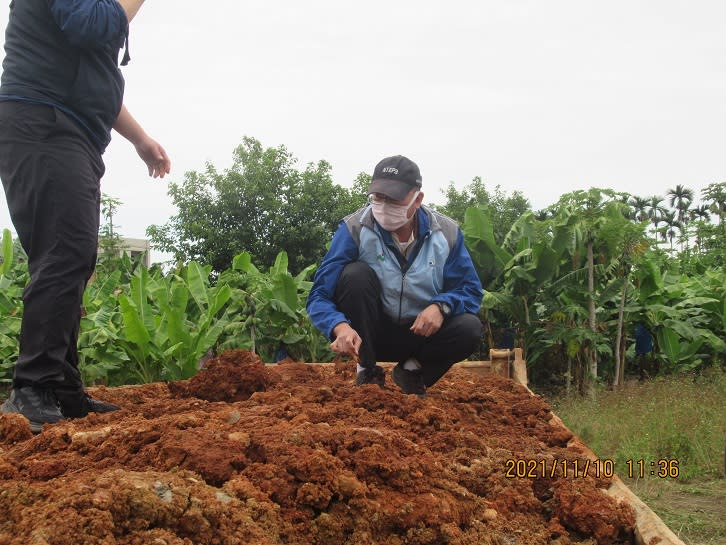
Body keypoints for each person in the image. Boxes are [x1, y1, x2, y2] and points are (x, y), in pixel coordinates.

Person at [0, 0, 171, 432]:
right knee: (67, 252)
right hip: (43, 121)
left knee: (70, 257)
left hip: (63, 125)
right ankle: (31, 389)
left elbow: (92, 75)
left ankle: (59, 389)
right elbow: (92, 26)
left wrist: (140, 139)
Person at [307, 155, 483, 397]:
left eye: (394, 198)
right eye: (379, 197)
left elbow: (470, 290)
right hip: (371, 336)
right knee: (354, 275)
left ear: (417, 199)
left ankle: (412, 372)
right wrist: (338, 326)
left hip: (421, 335)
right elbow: (319, 294)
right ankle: (366, 371)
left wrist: (441, 307)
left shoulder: (447, 233)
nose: (384, 205)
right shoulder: (355, 229)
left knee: (470, 328)